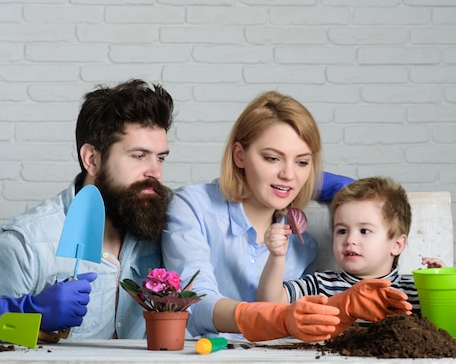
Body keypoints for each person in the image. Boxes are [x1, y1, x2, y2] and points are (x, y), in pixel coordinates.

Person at [0, 79, 176, 339]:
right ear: (92, 159)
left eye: (160, 157)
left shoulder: (163, 231)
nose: (155, 172)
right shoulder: (32, 241)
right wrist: (23, 313)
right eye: (139, 156)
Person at [162, 92, 411, 342]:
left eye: (302, 162)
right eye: (272, 158)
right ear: (239, 155)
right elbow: (193, 301)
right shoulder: (192, 206)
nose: (289, 175)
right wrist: (279, 318)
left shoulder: (303, 245)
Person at [258, 176, 445, 332]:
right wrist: (277, 256)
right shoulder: (321, 285)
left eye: (364, 231)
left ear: (396, 244)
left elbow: (446, 325)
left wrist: (440, 284)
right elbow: (270, 303)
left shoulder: (412, 290)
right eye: (342, 231)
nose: (350, 240)